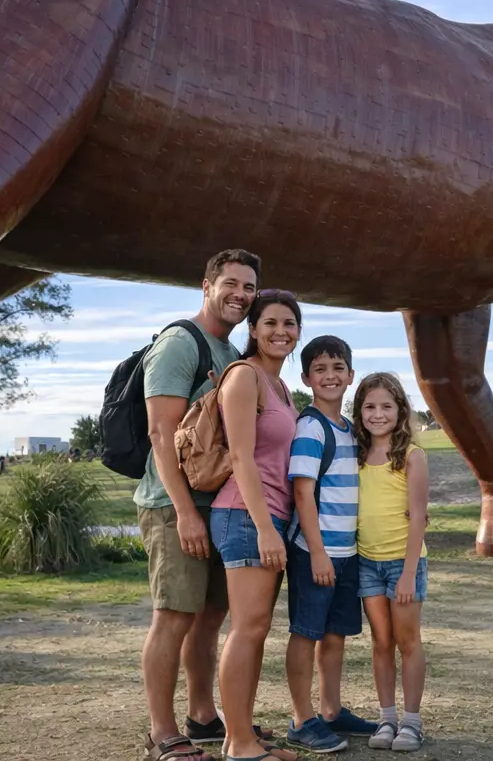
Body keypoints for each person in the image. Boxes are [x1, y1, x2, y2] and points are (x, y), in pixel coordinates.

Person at [137, 249, 259, 761]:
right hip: (174, 505)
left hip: (218, 505)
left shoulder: (228, 353)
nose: (240, 295)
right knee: (173, 617)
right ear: (206, 285)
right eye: (231, 283)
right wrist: (185, 511)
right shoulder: (179, 343)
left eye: (249, 288)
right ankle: (162, 732)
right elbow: (160, 433)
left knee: (209, 617)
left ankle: (203, 717)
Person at [210, 289, 303, 761]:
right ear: (252, 329)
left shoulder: (281, 387)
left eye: (289, 323)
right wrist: (266, 529)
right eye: (270, 323)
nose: (280, 331)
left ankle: (239, 737)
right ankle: (240, 744)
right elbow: (241, 456)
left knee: (256, 628)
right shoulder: (245, 377)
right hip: (246, 516)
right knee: (247, 628)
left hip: (268, 516)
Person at [283, 336, 377, 754]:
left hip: (348, 554)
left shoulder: (349, 429)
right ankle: (302, 719)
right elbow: (303, 494)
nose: (330, 376)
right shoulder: (311, 426)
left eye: (338, 368)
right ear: (306, 378)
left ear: (351, 376)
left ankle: (332, 711)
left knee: (335, 635)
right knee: (306, 633)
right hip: (314, 552)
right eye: (320, 369)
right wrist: (317, 551)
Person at [355, 373, 430, 752]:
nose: (378, 414)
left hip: (404, 563)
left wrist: (407, 574)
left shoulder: (411, 456)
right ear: (360, 411)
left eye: (386, 406)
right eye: (370, 406)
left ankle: (412, 723)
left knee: (407, 641)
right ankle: (386, 719)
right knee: (380, 642)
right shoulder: (356, 454)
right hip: (367, 563)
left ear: (400, 410)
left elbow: (418, 517)